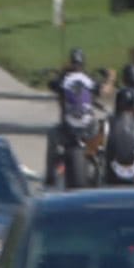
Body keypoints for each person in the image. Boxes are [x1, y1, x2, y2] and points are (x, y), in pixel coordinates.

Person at [44, 48, 114, 184]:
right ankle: (103, 166)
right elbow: (105, 90)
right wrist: (110, 78)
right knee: (102, 133)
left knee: (52, 135)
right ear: (83, 63)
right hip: (89, 129)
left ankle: (49, 177)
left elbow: (51, 84)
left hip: (68, 130)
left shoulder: (64, 80)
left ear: (71, 63)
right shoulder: (89, 80)